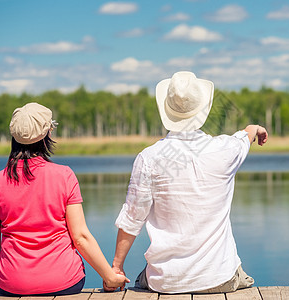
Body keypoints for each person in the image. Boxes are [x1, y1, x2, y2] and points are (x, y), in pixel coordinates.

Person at [107, 71, 268, 294]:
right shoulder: (226, 150)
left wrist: (116, 267)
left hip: (165, 282)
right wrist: (256, 128)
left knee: (141, 279)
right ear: (203, 109)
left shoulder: (148, 158)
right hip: (219, 278)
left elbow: (133, 218)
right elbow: (245, 136)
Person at [0, 102, 129, 296]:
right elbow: (80, 237)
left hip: (11, 284)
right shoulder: (65, 176)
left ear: (13, 136)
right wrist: (109, 276)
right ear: (47, 134)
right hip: (64, 281)